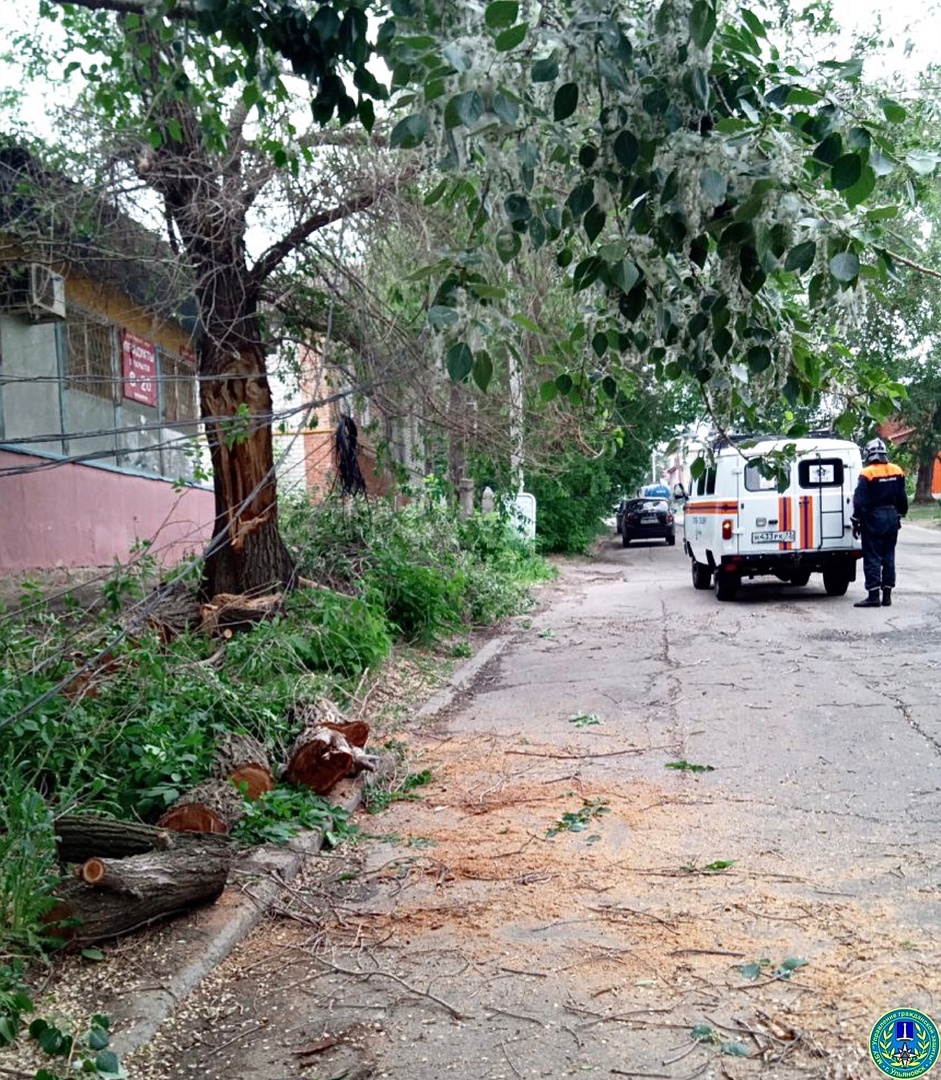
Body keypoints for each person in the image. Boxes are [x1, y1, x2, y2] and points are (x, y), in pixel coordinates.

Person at [852, 438, 908, 608]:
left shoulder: (867, 473)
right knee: (888, 555)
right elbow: (902, 498)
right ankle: (887, 595)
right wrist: (900, 514)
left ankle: (874, 595)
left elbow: (860, 501)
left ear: (869, 454)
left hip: (873, 517)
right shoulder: (897, 470)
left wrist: (856, 520)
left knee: (873, 556)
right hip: (891, 516)